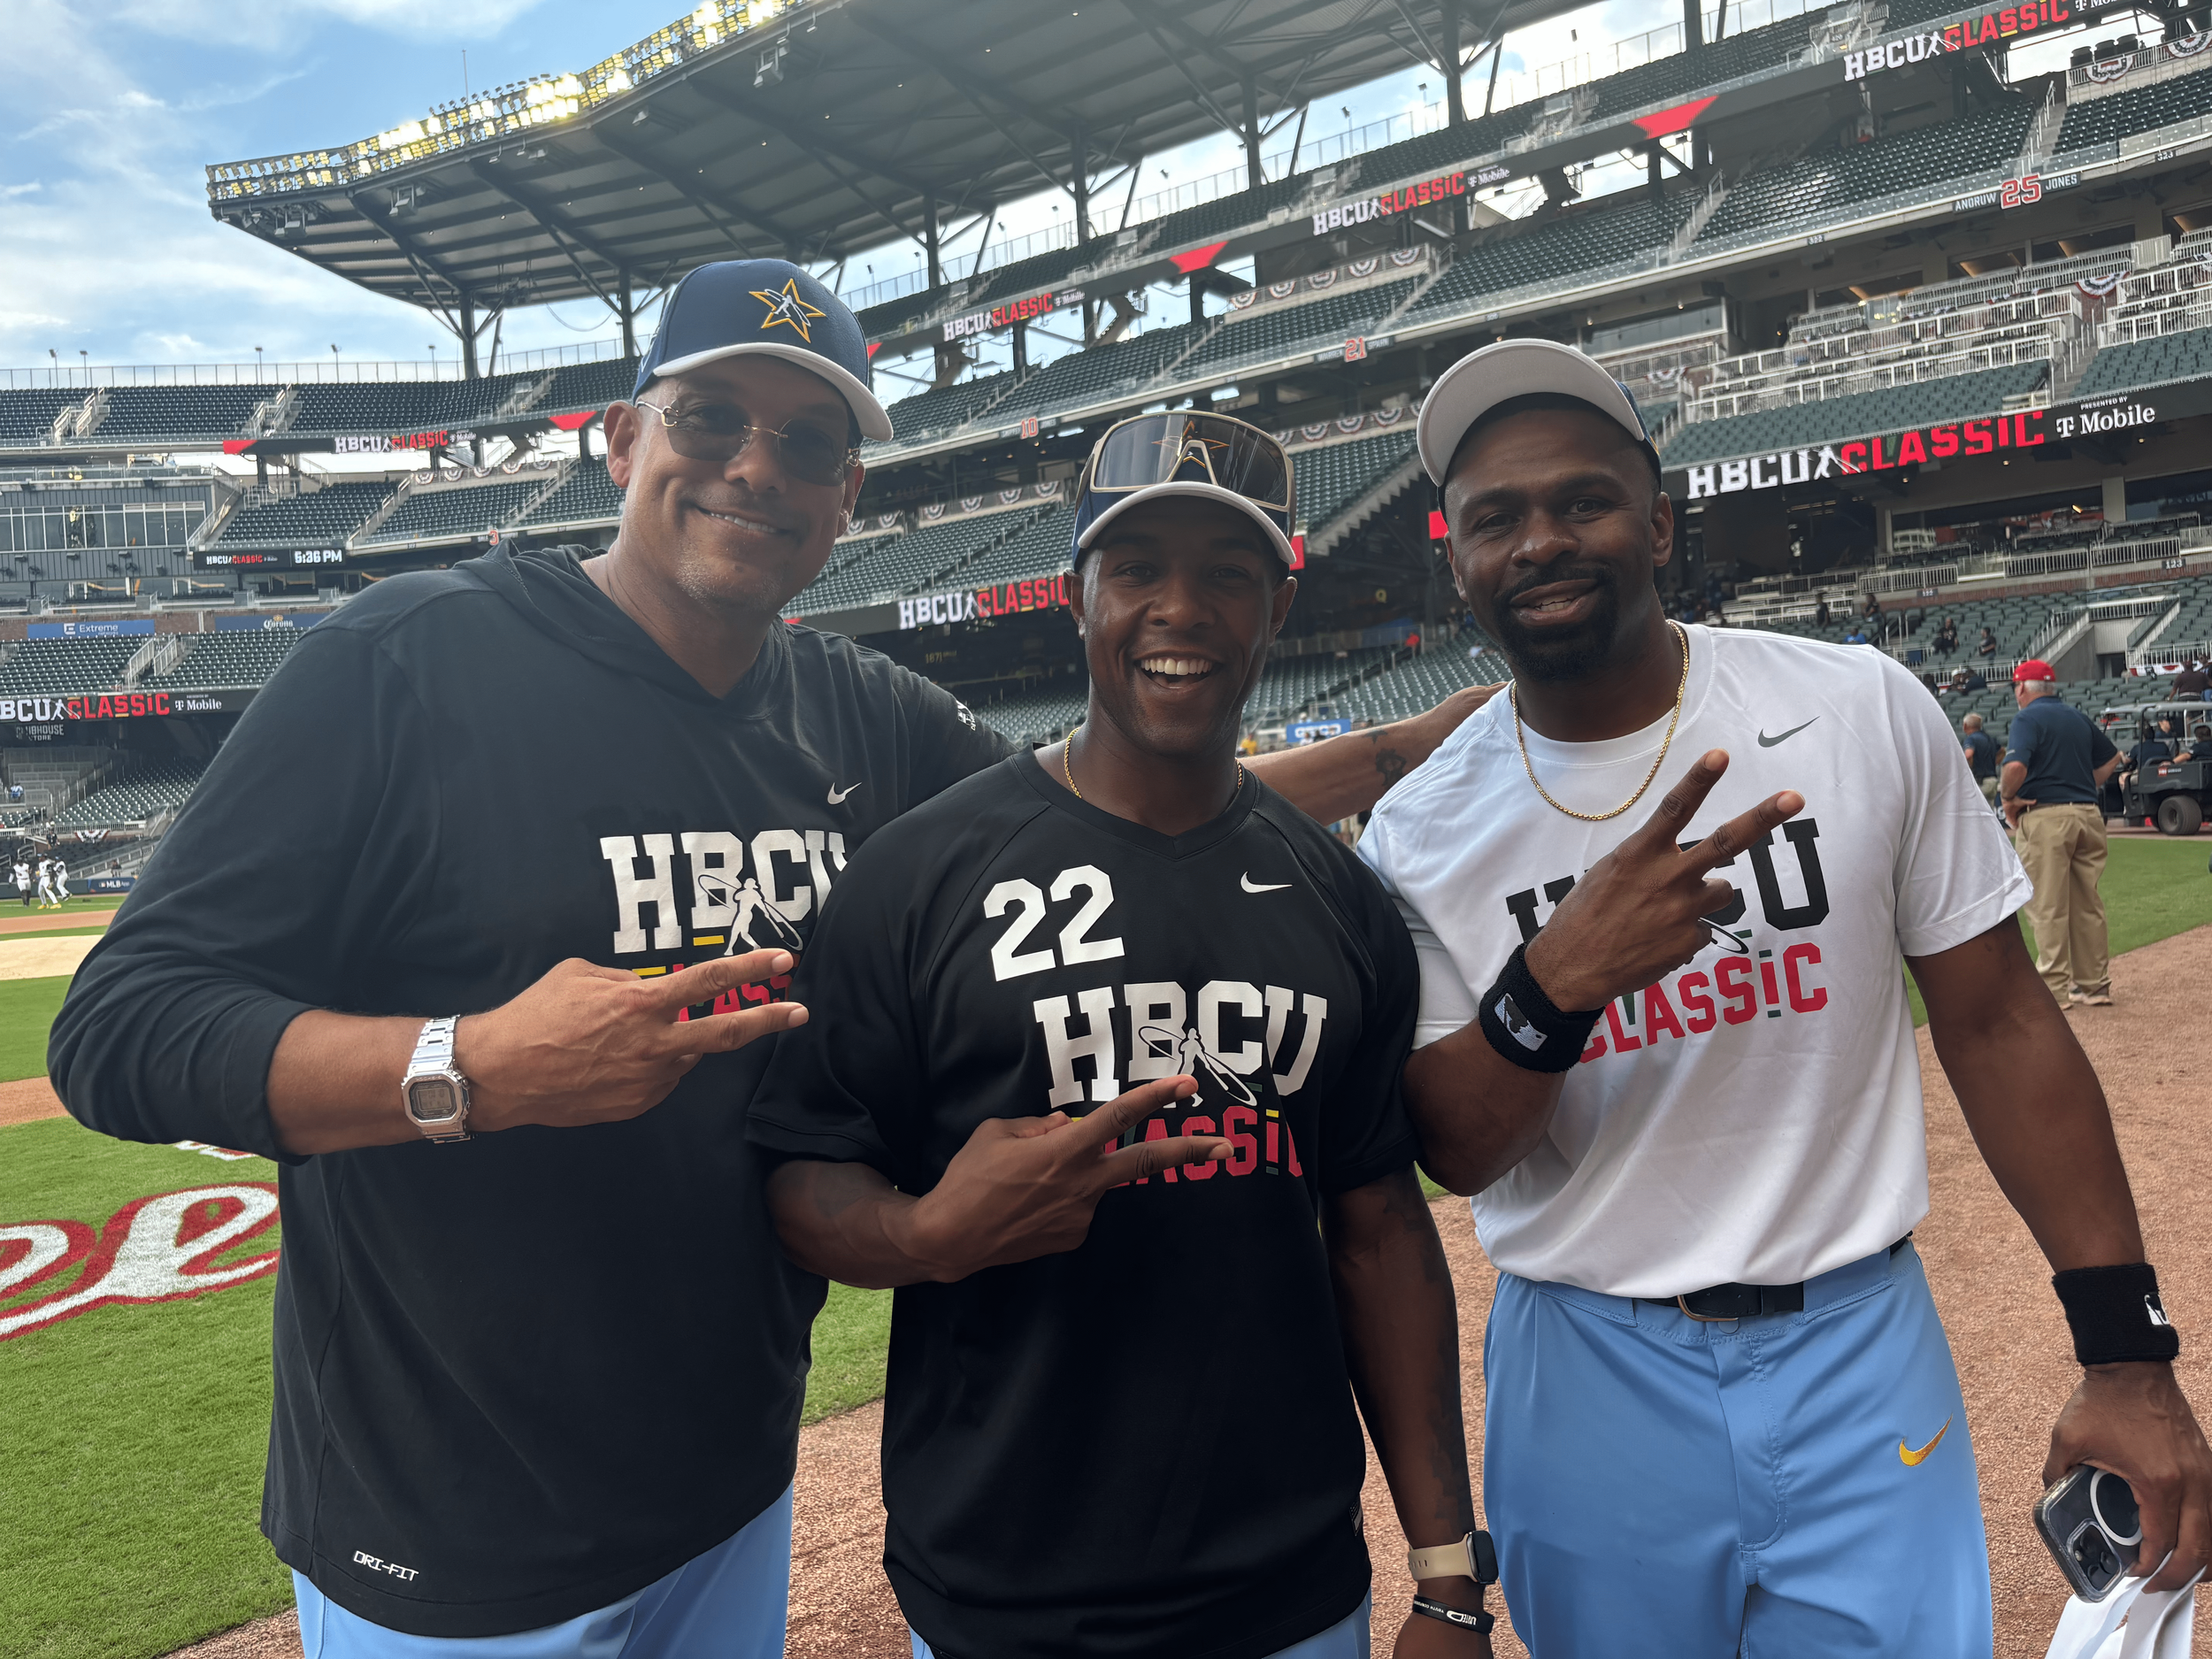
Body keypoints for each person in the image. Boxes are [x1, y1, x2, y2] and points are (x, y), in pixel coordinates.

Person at [49, 261, 1487, 1655]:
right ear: (620, 440)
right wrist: (470, 1065)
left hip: (725, 1484)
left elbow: (1118, 809)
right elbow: (119, 1030)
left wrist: (1412, 750)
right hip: (452, 1518)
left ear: (844, 495)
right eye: (711, 420)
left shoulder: (867, 721)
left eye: (807, 441)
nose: (758, 466)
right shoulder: (407, 662)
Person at [1356, 337, 2212, 1657]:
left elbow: (1997, 1019)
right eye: (1495, 518)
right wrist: (1557, 982)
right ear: (1453, 554)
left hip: (1855, 1339)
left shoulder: (1856, 704)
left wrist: (2127, 1347)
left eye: (1582, 499)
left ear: (1659, 516)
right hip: (1587, 1362)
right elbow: (1454, 1147)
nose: (1540, 539)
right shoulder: (1419, 828)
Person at [752, 417, 1494, 1658]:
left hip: (1290, 1592)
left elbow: (1378, 1228)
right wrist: (928, 1231)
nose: (1179, 607)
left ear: (1275, 605)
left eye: (1226, 571)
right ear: (1074, 593)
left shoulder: (1341, 896)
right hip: (1003, 1589)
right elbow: (803, 1170)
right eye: (1138, 565)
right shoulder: (920, 875)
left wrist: (1445, 1575)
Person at [2002, 659, 2124, 1009]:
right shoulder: (2077, 716)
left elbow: (2014, 766)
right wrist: (2086, 785)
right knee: (2088, 904)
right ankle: (2094, 986)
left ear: (2022, 688)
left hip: (2046, 817)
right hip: (2087, 814)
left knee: (2048, 905)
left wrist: (2008, 798)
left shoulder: (2027, 718)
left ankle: (2054, 990)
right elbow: (2112, 758)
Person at [1962, 710, 2001, 803]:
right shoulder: (1990, 738)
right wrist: (1993, 763)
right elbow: (2002, 751)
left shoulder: (1971, 739)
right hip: (1993, 780)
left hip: (1981, 782)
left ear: (1965, 726)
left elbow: (1968, 755)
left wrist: (1969, 770)